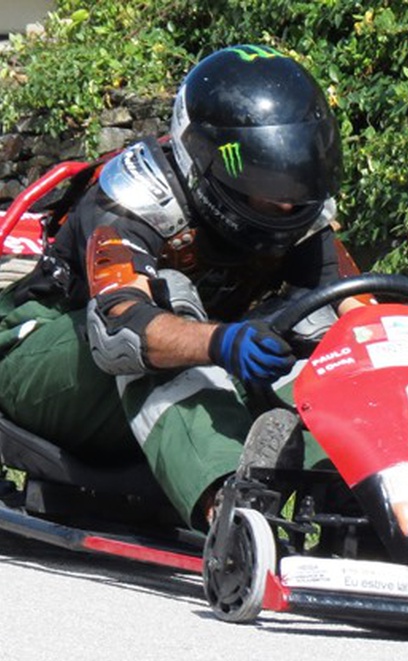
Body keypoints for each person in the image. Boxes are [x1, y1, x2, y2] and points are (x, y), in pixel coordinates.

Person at [0, 44, 362, 529]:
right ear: (207, 159)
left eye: (296, 175)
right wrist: (221, 342)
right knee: (160, 319)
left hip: (173, 367)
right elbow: (119, 328)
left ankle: (358, 498)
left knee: (329, 334)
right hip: (40, 355)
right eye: (267, 177)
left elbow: (361, 314)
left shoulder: (301, 217)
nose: (286, 201)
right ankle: (233, 508)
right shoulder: (132, 197)